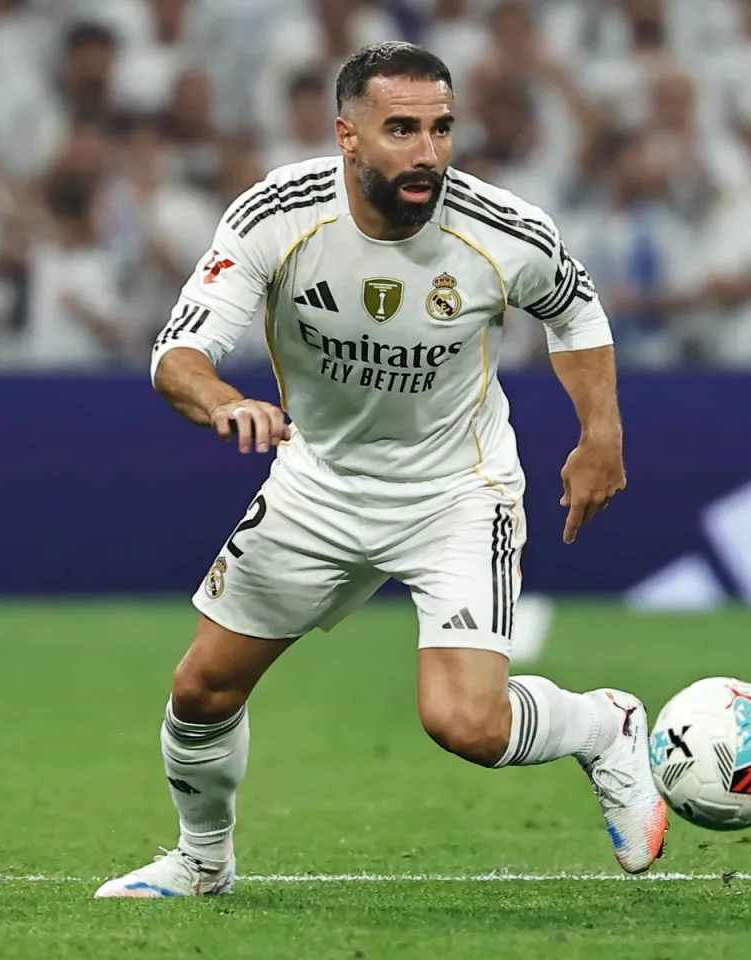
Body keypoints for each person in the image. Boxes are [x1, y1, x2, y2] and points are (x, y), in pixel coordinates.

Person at [94, 42, 668, 899]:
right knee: (202, 690)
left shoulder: (500, 229)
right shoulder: (276, 216)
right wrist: (224, 402)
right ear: (347, 135)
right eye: (401, 129)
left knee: (466, 723)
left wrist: (602, 435)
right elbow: (177, 354)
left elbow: (575, 310)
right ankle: (203, 862)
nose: (428, 152)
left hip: (456, 492)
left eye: (441, 129)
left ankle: (602, 726)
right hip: (318, 485)